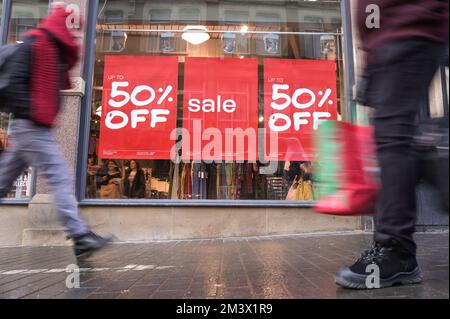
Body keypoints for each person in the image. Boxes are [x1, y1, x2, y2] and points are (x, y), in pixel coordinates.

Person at [335, 0, 448, 289]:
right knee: (395, 140)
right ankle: (397, 251)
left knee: (393, 141)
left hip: (411, 28)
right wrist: (369, 62)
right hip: (390, 39)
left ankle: (396, 252)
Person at [0, 3, 112, 259]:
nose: (73, 35)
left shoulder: (53, 51)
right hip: (31, 125)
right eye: (72, 28)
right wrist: (30, 111)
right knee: (61, 178)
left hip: (32, 126)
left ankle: (80, 235)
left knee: (3, 180)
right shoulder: (34, 45)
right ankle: (80, 236)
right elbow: (15, 82)